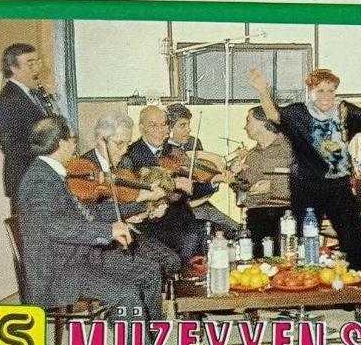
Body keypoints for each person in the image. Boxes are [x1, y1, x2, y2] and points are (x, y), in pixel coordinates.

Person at [248, 66, 361, 271]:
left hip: (339, 187)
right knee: (305, 239)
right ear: (310, 91)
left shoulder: (344, 111)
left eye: (331, 90)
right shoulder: (298, 112)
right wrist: (262, 91)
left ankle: (353, 282)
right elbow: (274, 115)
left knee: (352, 237)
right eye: (320, 90)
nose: (326, 96)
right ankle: (306, 281)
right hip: (305, 187)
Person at [17, 116, 179, 326]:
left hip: (78, 257)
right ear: (61, 144)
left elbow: (90, 213)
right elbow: (53, 226)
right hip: (58, 272)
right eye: (73, 141)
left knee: (149, 271)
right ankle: (136, 343)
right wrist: (107, 231)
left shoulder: (53, 174)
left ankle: (151, 333)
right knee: (126, 295)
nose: (75, 147)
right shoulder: (39, 179)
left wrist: (141, 203)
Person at [125, 105, 205, 262]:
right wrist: (172, 184)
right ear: (141, 128)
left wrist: (213, 181)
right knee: (193, 237)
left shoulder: (175, 152)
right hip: (153, 224)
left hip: (183, 218)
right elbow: (136, 193)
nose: (160, 130)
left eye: (163, 125)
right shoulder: (131, 156)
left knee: (217, 233)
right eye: (153, 126)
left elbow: (194, 189)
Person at [0, 43, 49, 211]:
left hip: (40, 177)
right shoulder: (7, 100)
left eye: (37, 62)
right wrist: (49, 149)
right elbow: (12, 147)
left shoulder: (35, 94)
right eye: (30, 63)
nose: (37, 68)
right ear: (13, 68)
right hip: (25, 179)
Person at [165, 102, 238, 234]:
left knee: (237, 229)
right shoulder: (162, 151)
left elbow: (202, 175)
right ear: (169, 128)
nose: (189, 129)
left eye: (188, 124)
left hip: (202, 203)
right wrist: (213, 182)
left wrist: (228, 172)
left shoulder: (193, 142)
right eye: (182, 125)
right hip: (182, 210)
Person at [229, 106, 293, 256]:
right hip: (256, 212)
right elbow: (244, 191)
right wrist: (235, 175)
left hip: (287, 211)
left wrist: (273, 186)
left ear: (264, 122)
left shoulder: (292, 149)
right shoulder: (252, 155)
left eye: (248, 121)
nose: (244, 127)